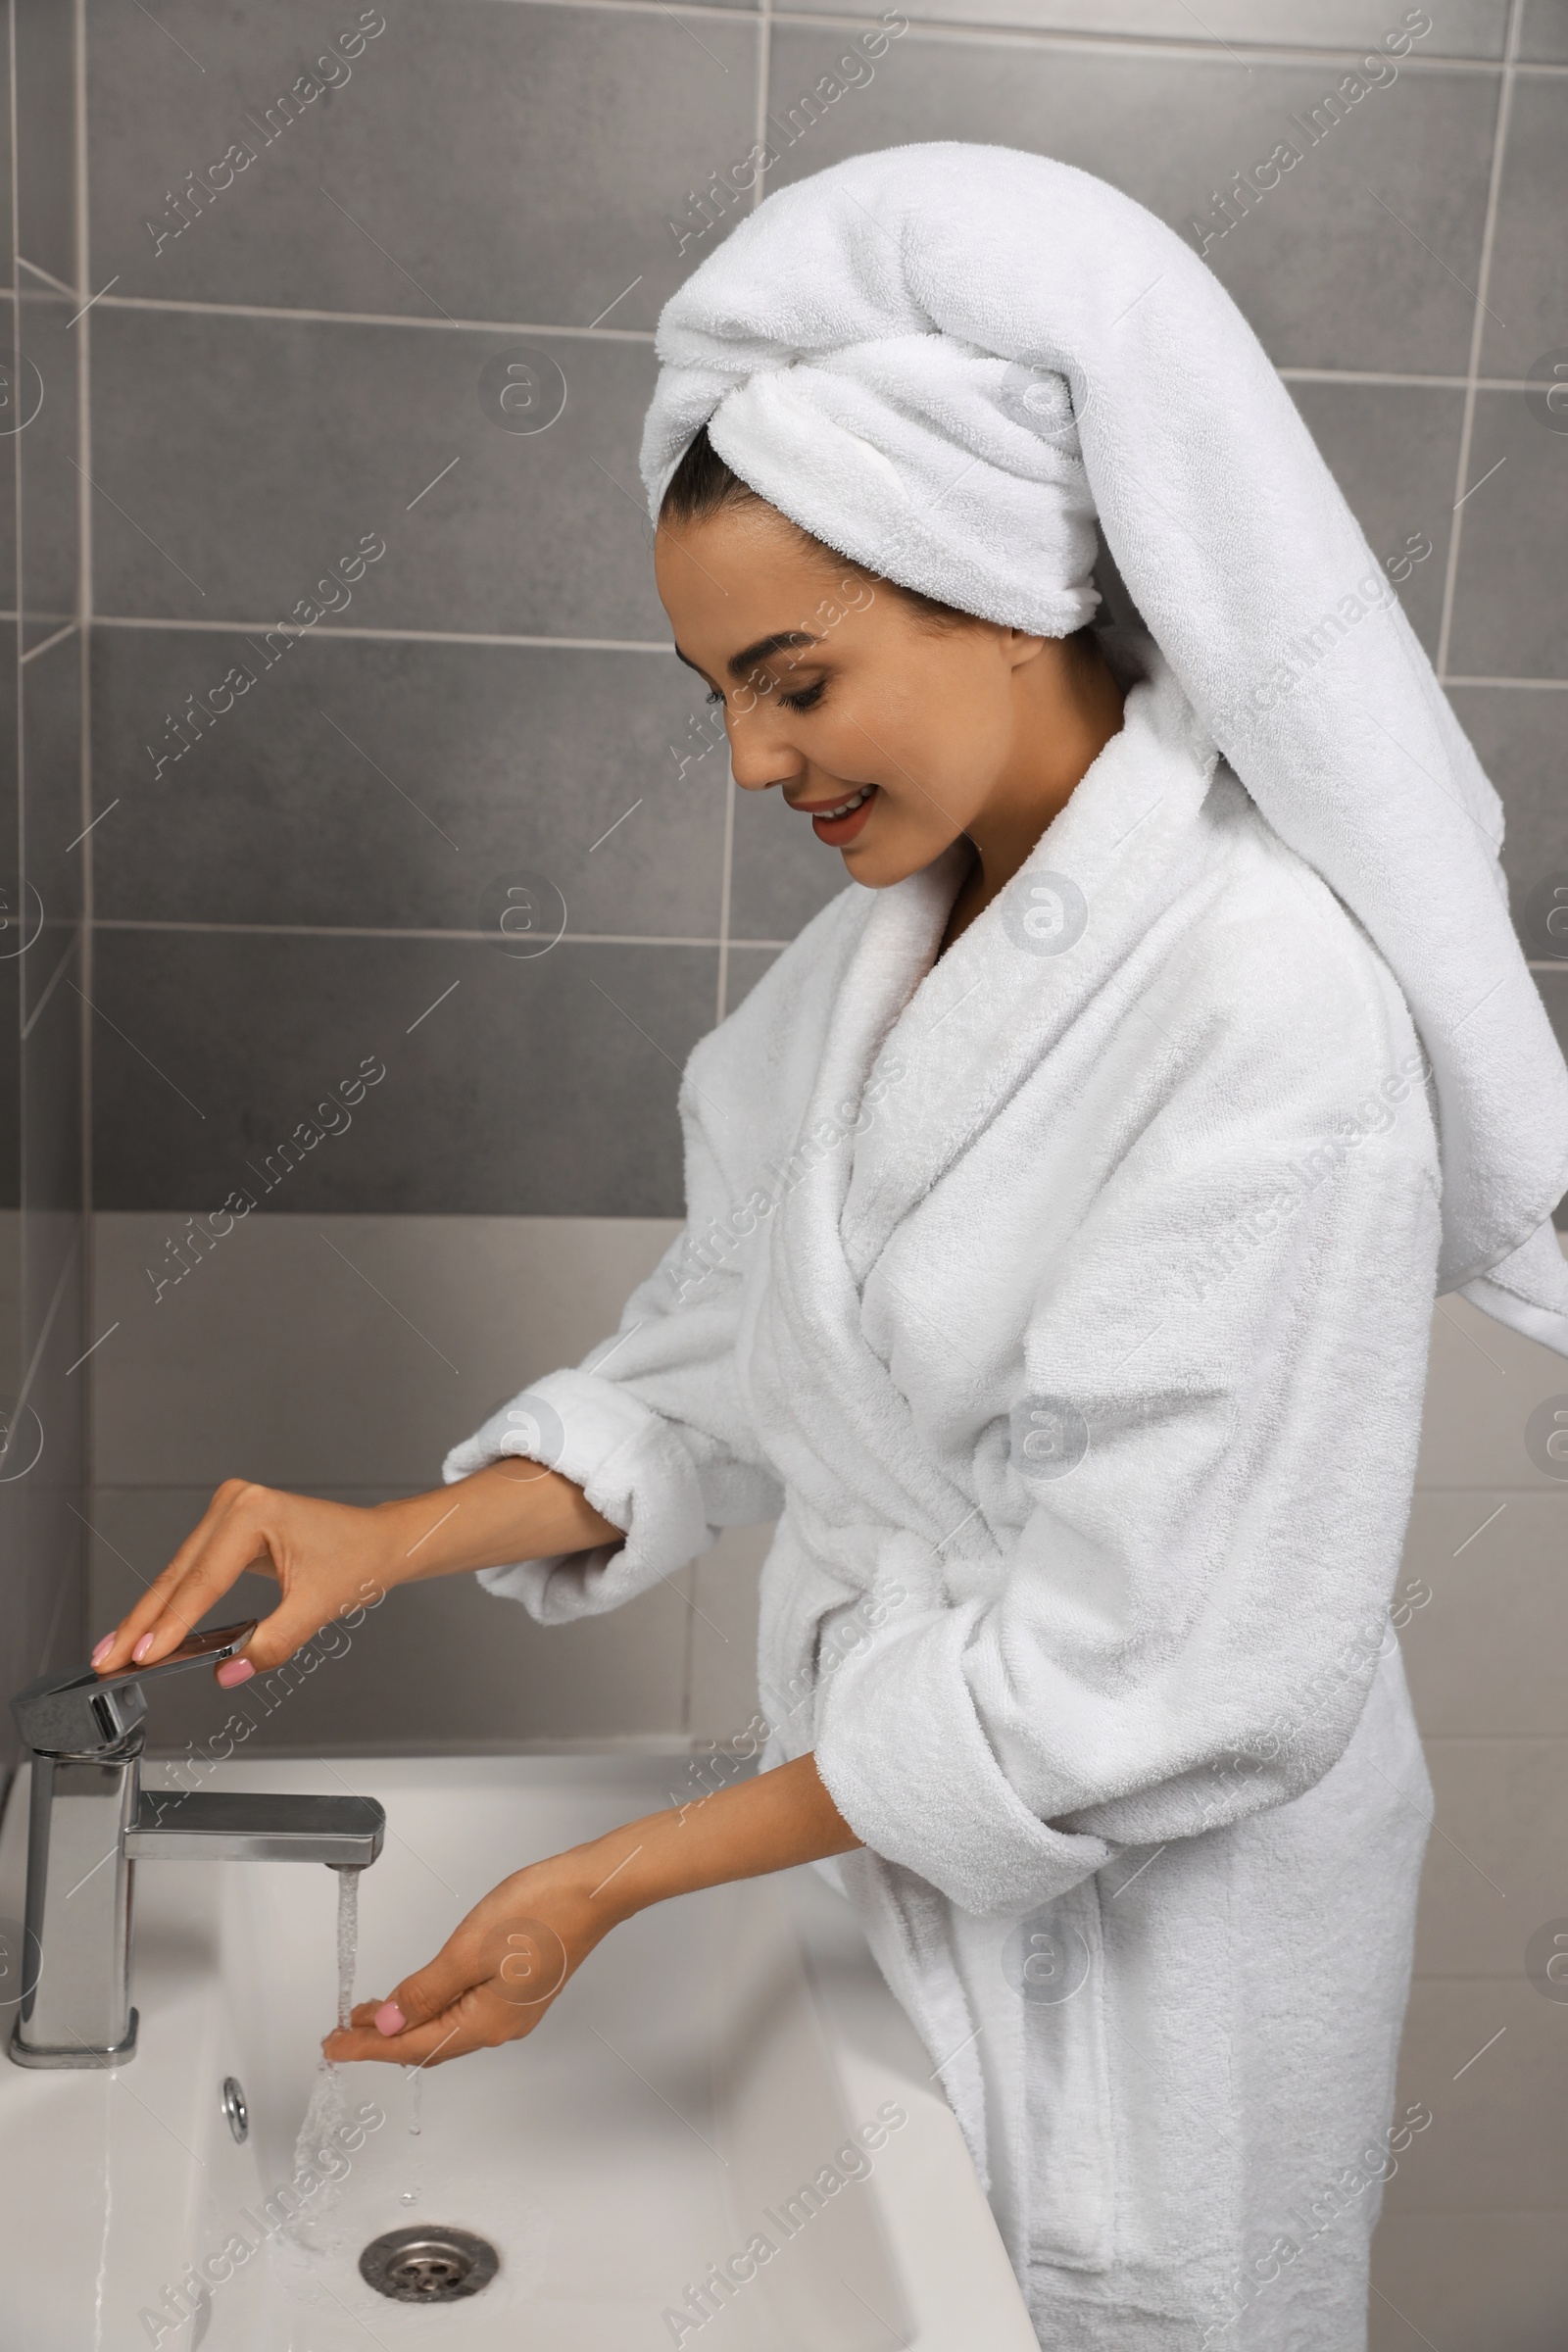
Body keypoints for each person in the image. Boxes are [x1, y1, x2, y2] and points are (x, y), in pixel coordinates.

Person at [90, 145, 1568, 2350]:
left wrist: (606, 1878)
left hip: (1158, 1975)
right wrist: (388, 1538)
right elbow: (727, 1365)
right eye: (713, 694)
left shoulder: (1265, 1000)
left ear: (998, 587)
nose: (745, 756)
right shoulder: (879, 959)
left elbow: (1169, 1682)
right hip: (899, 1874)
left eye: (790, 677)